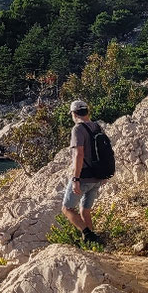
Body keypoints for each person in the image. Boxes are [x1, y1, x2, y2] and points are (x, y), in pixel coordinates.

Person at [62, 98, 105, 246]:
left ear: (74, 114)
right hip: (97, 177)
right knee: (84, 210)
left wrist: (76, 178)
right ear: (87, 111)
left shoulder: (78, 129)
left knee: (67, 208)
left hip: (84, 177)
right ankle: (93, 244)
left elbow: (79, 155)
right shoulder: (97, 127)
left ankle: (87, 234)